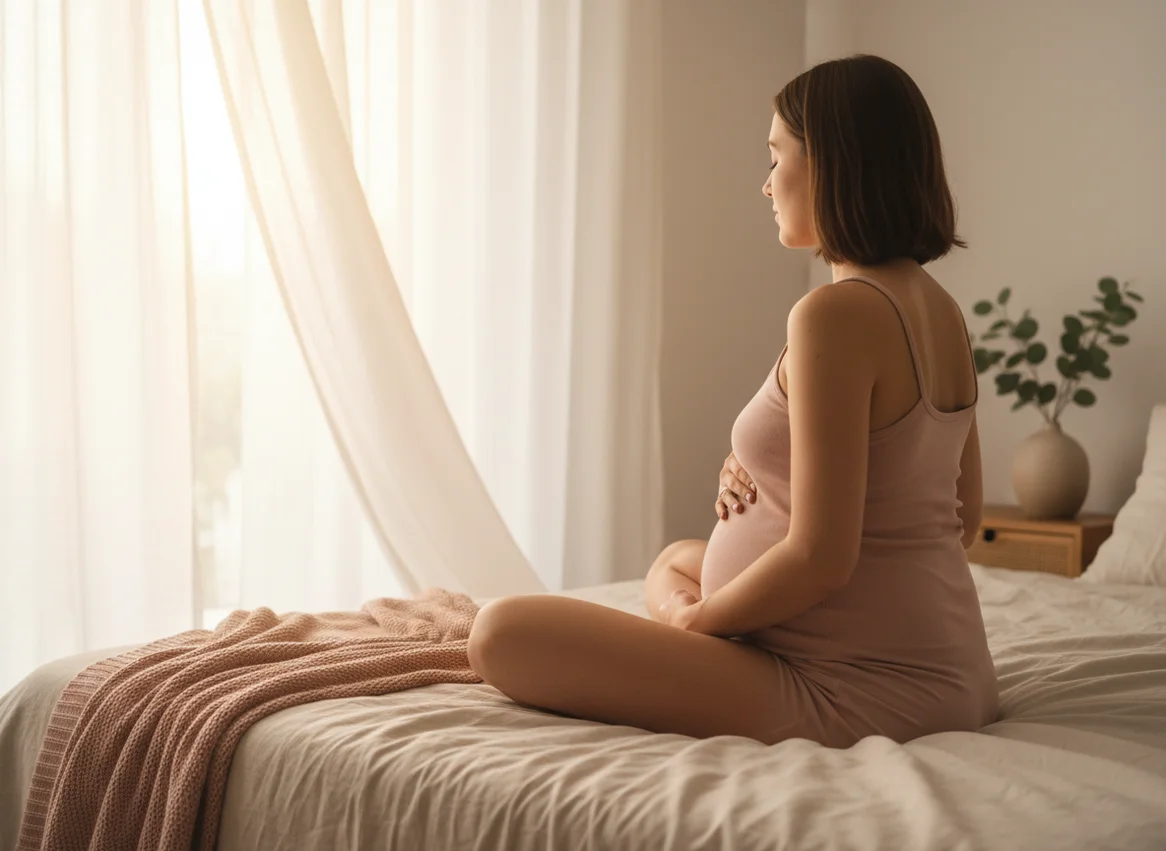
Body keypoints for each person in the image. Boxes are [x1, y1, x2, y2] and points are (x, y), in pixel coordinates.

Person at [467, 54, 998, 747]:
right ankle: (707, 618)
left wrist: (702, 621)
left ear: (834, 166)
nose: (766, 183)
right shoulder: (942, 311)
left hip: (857, 688)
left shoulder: (834, 315)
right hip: (953, 673)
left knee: (501, 631)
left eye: (778, 157)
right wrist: (762, 476)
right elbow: (958, 516)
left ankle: (698, 636)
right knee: (678, 560)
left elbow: (822, 558)